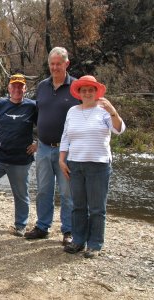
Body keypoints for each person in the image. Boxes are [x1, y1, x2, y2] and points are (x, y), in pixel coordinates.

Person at [59, 75, 125, 258]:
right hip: (75, 164)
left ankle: (94, 244)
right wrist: (62, 159)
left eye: (91, 90)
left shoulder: (104, 111)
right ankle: (78, 240)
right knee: (78, 206)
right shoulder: (72, 111)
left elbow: (119, 129)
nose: (87, 93)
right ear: (79, 93)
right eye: (84, 90)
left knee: (96, 208)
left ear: (96, 92)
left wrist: (113, 111)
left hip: (99, 165)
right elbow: (65, 136)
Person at [24, 47, 80, 245]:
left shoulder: (76, 87)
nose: (55, 67)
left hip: (68, 150)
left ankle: (69, 230)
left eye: (59, 64)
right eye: (52, 64)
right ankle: (42, 226)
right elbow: (38, 115)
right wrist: (36, 139)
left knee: (67, 192)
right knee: (43, 190)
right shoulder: (42, 86)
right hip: (44, 147)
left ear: (67, 64)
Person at [0, 74, 37, 237]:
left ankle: (20, 225)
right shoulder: (0, 105)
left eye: (20, 87)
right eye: (13, 86)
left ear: (25, 89)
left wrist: (38, 142)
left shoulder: (32, 106)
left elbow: (43, 125)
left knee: (21, 194)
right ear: (8, 88)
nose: (17, 90)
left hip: (21, 160)